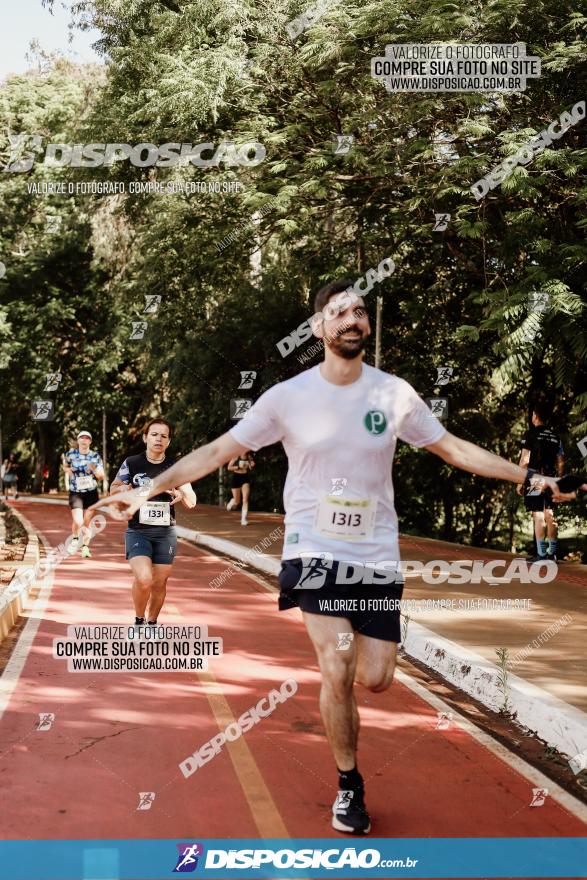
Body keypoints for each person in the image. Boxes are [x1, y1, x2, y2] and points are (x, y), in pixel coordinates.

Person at [93, 279, 583, 836]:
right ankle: (350, 786)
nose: (351, 318)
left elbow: (452, 448)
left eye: (359, 310)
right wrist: (147, 489)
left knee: (376, 678)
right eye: (338, 312)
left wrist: (530, 478)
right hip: (314, 549)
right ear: (319, 328)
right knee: (338, 665)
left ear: (366, 325)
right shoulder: (287, 398)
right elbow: (217, 451)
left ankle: (351, 717)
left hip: (376, 554)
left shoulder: (394, 394)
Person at [109, 418, 197, 626]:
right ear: (145, 438)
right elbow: (114, 488)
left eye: (163, 436)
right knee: (144, 578)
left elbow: (192, 502)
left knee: (159, 582)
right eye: (154, 434)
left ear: (168, 442)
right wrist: (125, 489)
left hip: (165, 533)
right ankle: (139, 621)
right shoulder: (132, 463)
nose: (159, 439)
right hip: (138, 530)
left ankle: (152, 623)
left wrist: (181, 492)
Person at [517, 402, 565, 562]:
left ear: (535, 416)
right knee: (550, 515)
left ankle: (541, 554)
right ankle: (552, 554)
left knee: (538, 515)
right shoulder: (555, 436)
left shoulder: (530, 435)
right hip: (552, 479)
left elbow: (524, 461)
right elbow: (560, 461)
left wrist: (519, 482)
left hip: (535, 478)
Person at [63, 432, 105, 558]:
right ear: (78, 440)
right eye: (82, 437)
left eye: (87, 438)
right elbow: (65, 465)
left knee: (86, 522)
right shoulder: (71, 454)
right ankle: (75, 538)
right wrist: (68, 470)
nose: (84, 440)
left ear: (90, 442)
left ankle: (85, 547)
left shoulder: (95, 456)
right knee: (78, 520)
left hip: (91, 492)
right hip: (76, 491)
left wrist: (93, 468)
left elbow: (101, 476)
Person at [226, 451, 255, 525]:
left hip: (245, 478)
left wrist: (252, 465)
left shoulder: (249, 457)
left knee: (245, 499)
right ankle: (232, 501)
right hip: (236, 478)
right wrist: (238, 467)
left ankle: (243, 519)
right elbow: (229, 467)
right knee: (237, 502)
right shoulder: (236, 456)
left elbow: (250, 468)